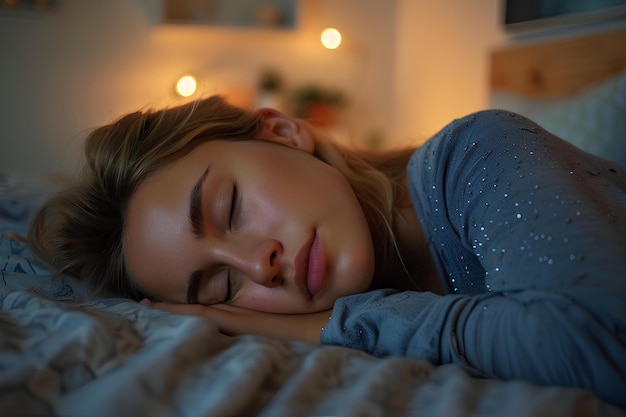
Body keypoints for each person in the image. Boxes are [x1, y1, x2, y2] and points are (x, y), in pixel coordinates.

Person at [28, 96, 626, 408]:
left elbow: (594, 341)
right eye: (220, 288)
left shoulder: (476, 153)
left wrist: (325, 326)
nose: (256, 265)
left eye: (230, 207)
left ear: (284, 133)